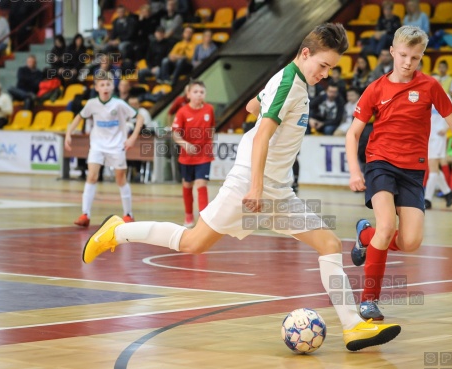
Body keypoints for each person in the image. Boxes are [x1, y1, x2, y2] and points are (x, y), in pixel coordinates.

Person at [81, 23, 402, 352]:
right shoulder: (289, 83)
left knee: (329, 243)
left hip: (277, 188)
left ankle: (352, 327)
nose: (326, 74)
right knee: (193, 242)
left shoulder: (291, 81)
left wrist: (262, 105)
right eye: (323, 65)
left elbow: (252, 107)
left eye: (331, 68)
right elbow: (262, 134)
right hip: (252, 181)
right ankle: (117, 232)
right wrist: (256, 187)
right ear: (305, 54)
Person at [345, 26, 452, 320]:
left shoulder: (430, 86)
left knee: (410, 242)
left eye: (415, 57)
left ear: (421, 58)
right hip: (380, 163)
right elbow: (353, 133)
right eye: (404, 55)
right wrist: (355, 171)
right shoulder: (376, 89)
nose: (408, 62)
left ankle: (364, 235)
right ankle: (369, 300)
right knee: (387, 227)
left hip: (413, 170)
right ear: (393, 52)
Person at [65, 72, 145, 227]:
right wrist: (69, 133)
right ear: (96, 88)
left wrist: (133, 137)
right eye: (102, 85)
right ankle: (85, 214)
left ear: (112, 86)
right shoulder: (91, 104)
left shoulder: (119, 104)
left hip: (117, 146)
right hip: (97, 146)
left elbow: (140, 117)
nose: (105, 87)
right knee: (92, 177)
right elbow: (79, 117)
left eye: (108, 84)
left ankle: (128, 214)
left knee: (120, 179)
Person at [172, 80, 215, 227]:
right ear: (188, 94)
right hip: (186, 156)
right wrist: (185, 144)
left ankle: (204, 218)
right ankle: (188, 215)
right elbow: (176, 135)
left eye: (201, 92)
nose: (198, 95)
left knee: (201, 183)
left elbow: (212, 128)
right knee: (187, 185)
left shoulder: (209, 109)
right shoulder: (182, 112)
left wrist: (209, 146)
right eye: (195, 92)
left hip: (204, 155)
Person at [424, 106, 452, 209]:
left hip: (438, 137)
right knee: (434, 169)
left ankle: (427, 199)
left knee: (433, 169)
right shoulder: (424, 94)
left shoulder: (445, 96)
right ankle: (448, 192)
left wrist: (446, 128)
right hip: (427, 136)